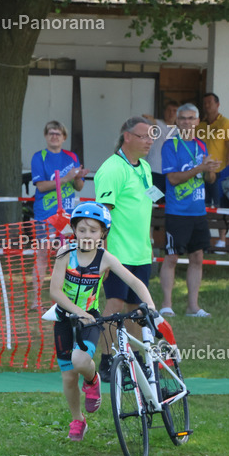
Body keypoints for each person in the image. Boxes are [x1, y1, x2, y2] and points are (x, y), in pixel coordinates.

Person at [49, 203, 157, 441]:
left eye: (93, 230)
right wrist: (77, 311)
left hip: (90, 319)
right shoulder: (65, 253)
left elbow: (135, 282)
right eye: (82, 230)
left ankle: (92, 379)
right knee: (68, 377)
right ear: (74, 230)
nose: (87, 235)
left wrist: (150, 305)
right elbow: (55, 291)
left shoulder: (105, 258)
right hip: (65, 319)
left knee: (80, 361)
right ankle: (78, 420)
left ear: (103, 234)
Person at [93, 116, 159, 383]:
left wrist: (150, 241)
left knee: (136, 307)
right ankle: (107, 360)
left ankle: (135, 358)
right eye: (144, 136)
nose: (149, 141)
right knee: (115, 304)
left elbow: (148, 203)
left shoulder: (145, 167)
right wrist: (103, 255)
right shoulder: (111, 169)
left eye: (151, 136)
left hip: (141, 252)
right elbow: (101, 215)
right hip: (118, 253)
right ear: (127, 137)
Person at [159, 103, 221, 318]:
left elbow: (209, 180)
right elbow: (173, 179)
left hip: (198, 212)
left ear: (197, 121)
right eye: (183, 118)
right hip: (177, 212)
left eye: (191, 118)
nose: (187, 122)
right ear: (177, 121)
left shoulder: (201, 145)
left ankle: (193, 307)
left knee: (197, 258)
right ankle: (166, 305)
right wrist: (200, 168)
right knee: (172, 258)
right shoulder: (170, 145)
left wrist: (210, 170)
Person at [29, 121, 87, 305]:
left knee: (68, 255)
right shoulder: (39, 157)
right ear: (46, 136)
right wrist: (66, 178)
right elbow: (41, 186)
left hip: (67, 215)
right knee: (42, 254)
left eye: (58, 134)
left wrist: (77, 178)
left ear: (64, 137)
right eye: (51, 133)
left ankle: (66, 298)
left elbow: (79, 186)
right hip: (45, 215)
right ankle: (36, 300)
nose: (54, 136)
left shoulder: (71, 156)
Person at [198, 92, 229, 248]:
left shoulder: (226, 123)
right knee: (204, 206)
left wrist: (228, 170)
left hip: (220, 172)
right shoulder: (200, 125)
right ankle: (205, 238)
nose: (207, 105)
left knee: (221, 207)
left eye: (210, 102)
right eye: (205, 103)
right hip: (202, 172)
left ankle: (222, 240)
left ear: (217, 104)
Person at [144, 99, 179, 199]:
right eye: (169, 110)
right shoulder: (157, 124)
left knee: (168, 201)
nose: (171, 113)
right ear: (164, 111)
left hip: (172, 173)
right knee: (152, 200)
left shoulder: (179, 130)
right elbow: (149, 120)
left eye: (174, 111)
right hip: (154, 170)